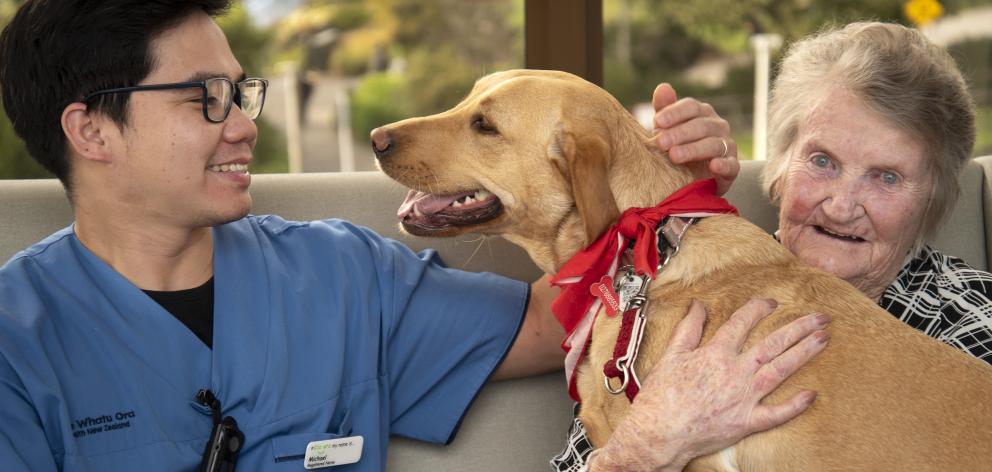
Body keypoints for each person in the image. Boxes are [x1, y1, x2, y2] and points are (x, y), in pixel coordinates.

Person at [0, 1, 829, 470]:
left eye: (239, 93)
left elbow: (561, 316)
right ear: (91, 131)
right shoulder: (15, 342)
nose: (241, 127)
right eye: (203, 99)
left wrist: (661, 189)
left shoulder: (338, 275)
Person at [553, 21, 992, 471]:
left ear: (932, 203)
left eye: (886, 177)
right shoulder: (664, 297)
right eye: (822, 161)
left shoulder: (971, 319)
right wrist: (642, 448)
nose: (841, 206)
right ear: (778, 167)